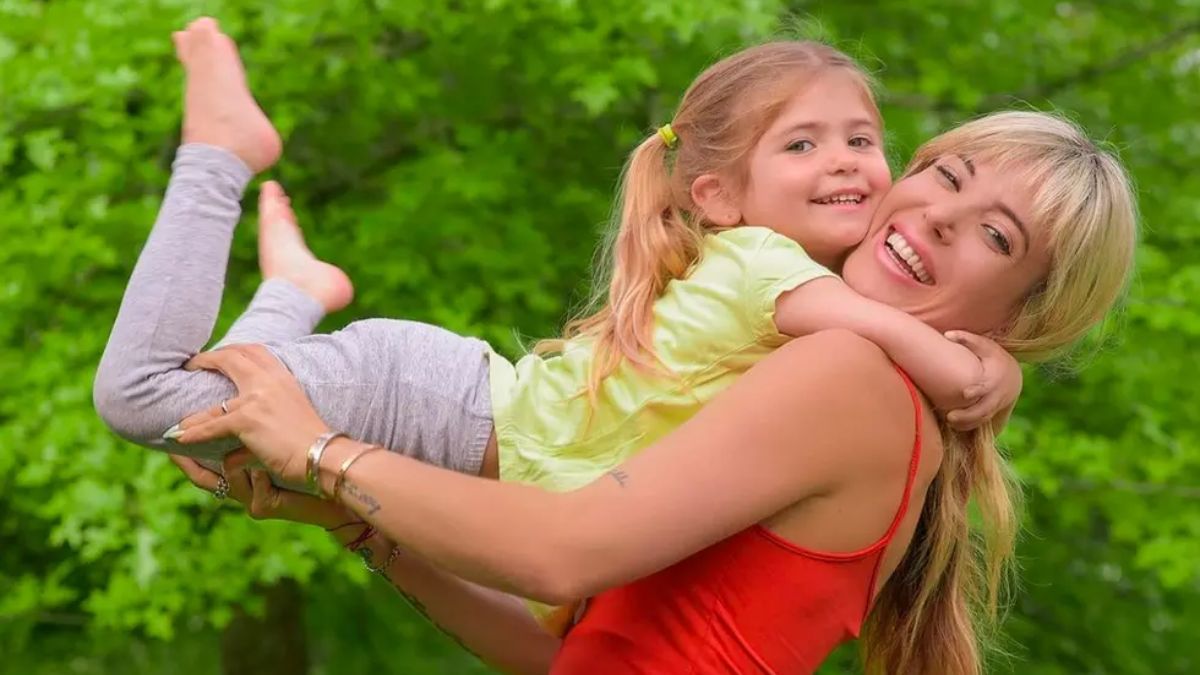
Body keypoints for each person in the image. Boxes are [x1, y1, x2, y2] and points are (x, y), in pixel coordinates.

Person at [93, 19, 1022, 633]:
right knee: (144, 396)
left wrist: (352, 515)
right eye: (803, 143)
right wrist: (975, 370)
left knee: (210, 439)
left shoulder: (788, 322)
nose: (847, 161)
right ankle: (219, 155)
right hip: (448, 408)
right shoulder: (770, 270)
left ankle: (294, 289)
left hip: (450, 422)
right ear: (720, 198)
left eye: (862, 139)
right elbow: (872, 328)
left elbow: (560, 638)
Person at [172, 95, 1137, 673]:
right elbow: (571, 649)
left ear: (1020, 318)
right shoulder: (867, 396)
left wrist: (321, 449)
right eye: (946, 175)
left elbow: (561, 552)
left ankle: (213, 158)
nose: (937, 218)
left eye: (997, 237)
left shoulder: (854, 376)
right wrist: (363, 526)